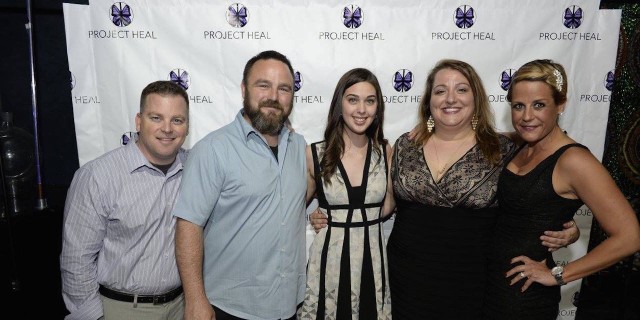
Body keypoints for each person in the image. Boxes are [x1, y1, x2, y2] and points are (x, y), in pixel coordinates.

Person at [309, 59, 579, 319]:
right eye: (440, 91)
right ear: (429, 101)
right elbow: (381, 201)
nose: (450, 99)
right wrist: (328, 213)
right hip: (404, 282)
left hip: (472, 287)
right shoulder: (405, 146)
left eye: (461, 89)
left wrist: (563, 224)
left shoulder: (502, 149)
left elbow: (533, 189)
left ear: (476, 99)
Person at [482, 59, 640, 320]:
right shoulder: (522, 143)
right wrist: (430, 127)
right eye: (518, 106)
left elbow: (630, 236)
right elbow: (476, 136)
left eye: (539, 105)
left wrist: (559, 275)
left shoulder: (574, 161)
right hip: (492, 284)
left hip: (524, 297)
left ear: (561, 104)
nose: (527, 116)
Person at [172, 50, 307, 320]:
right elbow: (188, 226)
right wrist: (196, 299)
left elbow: (298, 202)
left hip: (288, 305)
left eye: (284, 88)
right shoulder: (213, 149)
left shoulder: (300, 148)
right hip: (229, 309)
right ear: (244, 89)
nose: (274, 96)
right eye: (263, 85)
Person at [60, 80, 189, 320]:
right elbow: (76, 260)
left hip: (181, 307)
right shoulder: (97, 176)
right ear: (139, 122)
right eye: (156, 118)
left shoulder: (196, 169)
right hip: (121, 310)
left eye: (177, 120)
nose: (167, 128)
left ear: (187, 126)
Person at [298, 68, 395, 319]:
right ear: (339, 104)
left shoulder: (386, 152)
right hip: (328, 267)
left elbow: (387, 207)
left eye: (369, 101)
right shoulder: (315, 154)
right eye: (353, 99)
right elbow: (291, 208)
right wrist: (311, 216)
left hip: (372, 267)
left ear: (378, 108)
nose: (361, 109)